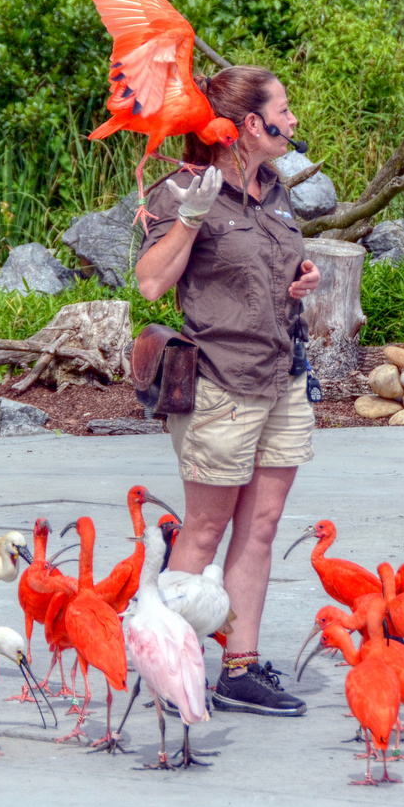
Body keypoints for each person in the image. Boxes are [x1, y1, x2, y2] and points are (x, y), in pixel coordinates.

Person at [134, 65, 320, 716]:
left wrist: (297, 282)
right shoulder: (182, 189)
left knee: (262, 525)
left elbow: (262, 267)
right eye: (284, 110)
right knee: (207, 526)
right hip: (219, 381)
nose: (292, 121)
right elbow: (152, 284)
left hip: (283, 375)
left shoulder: (274, 187)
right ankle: (172, 661)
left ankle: (237, 669)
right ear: (250, 124)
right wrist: (188, 220)